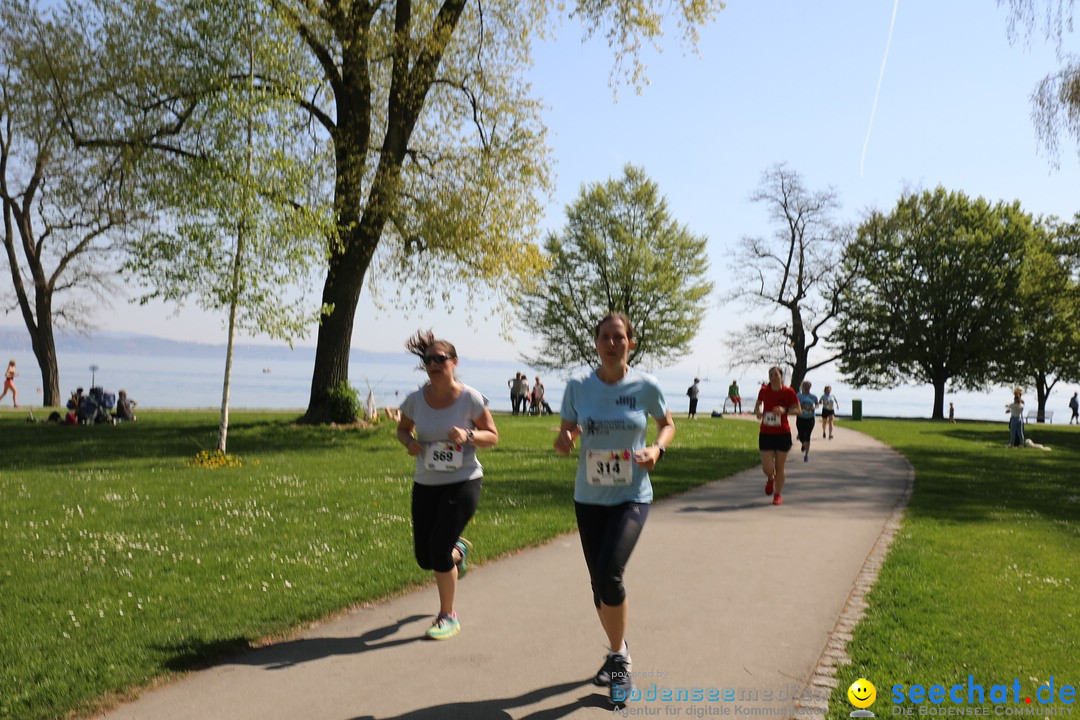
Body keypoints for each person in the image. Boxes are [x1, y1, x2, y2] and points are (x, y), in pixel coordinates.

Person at [554, 313, 674, 707]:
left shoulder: (645, 386)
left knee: (610, 573)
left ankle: (620, 661)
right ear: (596, 343)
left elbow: (666, 424)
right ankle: (617, 647)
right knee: (598, 585)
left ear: (630, 343)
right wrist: (565, 438)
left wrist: (656, 448)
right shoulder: (578, 386)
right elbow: (567, 428)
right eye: (605, 337)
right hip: (589, 497)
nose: (611, 343)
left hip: (632, 495)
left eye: (619, 337)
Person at [396, 330, 499, 640]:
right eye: (428, 360)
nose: (433, 364)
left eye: (440, 359)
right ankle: (458, 552)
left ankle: (447, 615)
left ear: (454, 362)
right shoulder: (415, 400)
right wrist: (409, 442)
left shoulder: (470, 398)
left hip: (463, 481)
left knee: (437, 550)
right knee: (425, 558)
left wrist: (468, 436)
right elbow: (402, 430)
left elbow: (492, 436)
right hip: (427, 482)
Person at [755, 366, 801, 506]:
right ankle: (770, 478)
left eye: (776, 375)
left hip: (782, 433)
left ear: (781, 376)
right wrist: (758, 412)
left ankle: (778, 494)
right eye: (771, 375)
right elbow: (758, 404)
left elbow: (798, 410)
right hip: (766, 433)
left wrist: (784, 410)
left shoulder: (788, 392)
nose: (773, 377)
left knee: (780, 467)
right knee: (767, 467)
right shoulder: (764, 390)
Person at [795, 380, 819, 462]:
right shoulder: (798, 396)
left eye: (808, 385)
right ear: (802, 386)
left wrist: (814, 407)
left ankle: (806, 455)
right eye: (805, 385)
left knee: (807, 435)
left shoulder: (813, 396)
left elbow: (817, 404)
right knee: (801, 435)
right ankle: (803, 444)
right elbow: (794, 404)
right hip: (800, 418)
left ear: (810, 387)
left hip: (810, 418)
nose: (806, 387)